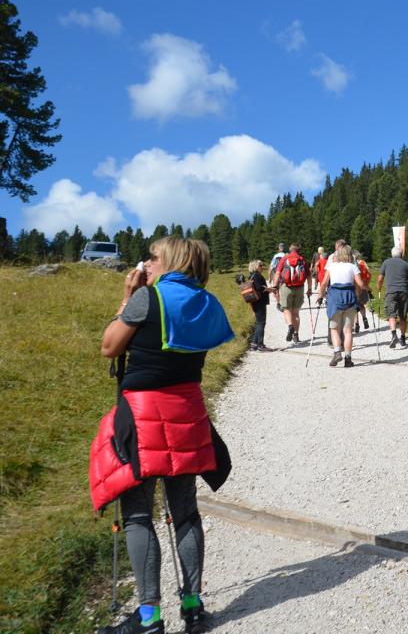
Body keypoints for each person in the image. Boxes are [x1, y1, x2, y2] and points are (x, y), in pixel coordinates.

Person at [92, 236, 234, 634]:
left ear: (171, 260)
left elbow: (108, 347)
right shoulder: (207, 302)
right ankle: (192, 604)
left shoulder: (147, 298)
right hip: (187, 412)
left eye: (153, 258)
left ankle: (149, 618)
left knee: (138, 515)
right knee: (185, 512)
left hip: (141, 416)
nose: (147, 264)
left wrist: (128, 295)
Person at [317, 245, 365, 367]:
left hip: (334, 299)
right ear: (349, 255)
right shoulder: (353, 267)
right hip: (349, 298)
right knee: (348, 331)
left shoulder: (331, 266)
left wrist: (320, 296)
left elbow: (323, 283)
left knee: (334, 329)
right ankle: (348, 359)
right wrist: (360, 292)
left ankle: (337, 351)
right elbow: (360, 283)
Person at [377, 246, 408, 348]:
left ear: (392, 254)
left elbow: (380, 278)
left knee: (391, 314)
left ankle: (394, 335)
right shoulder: (406, 264)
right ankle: (402, 338)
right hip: (403, 291)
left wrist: (379, 288)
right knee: (403, 316)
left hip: (391, 292)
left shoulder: (386, 262)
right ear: (401, 254)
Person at [272, 243, 308, 344]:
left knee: (286, 309)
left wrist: (275, 286)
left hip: (286, 287)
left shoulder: (285, 258)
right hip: (299, 287)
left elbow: (278, 273)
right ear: (299, 250)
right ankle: (296, 335)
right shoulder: (302, 259)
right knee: (296, 313)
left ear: (290, 249)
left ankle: (290, 326)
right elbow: (308, 275)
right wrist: (309, 289)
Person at [246, 259, 275, 351]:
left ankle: (254, 344)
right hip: (259, 302)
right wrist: (270, 289)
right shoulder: (257, 276)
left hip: (255, 302)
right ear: (255, 266)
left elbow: (259, 289)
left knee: (259, 322)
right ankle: (260, 345)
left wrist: (268, 289)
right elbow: (260, 288)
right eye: (260, 265)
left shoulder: (252, 276)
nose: (262, 267)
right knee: (261, 323)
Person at [268, 242, 287, 312]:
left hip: (276, 275)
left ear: (279, 248)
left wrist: (270, 277)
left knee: (276, 290)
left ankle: (278, 304)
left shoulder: (275, 256)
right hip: (285, 276)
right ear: (284, 248)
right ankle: (284, 304)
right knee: (284, 290)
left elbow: (271, 267)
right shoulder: (286, 255)